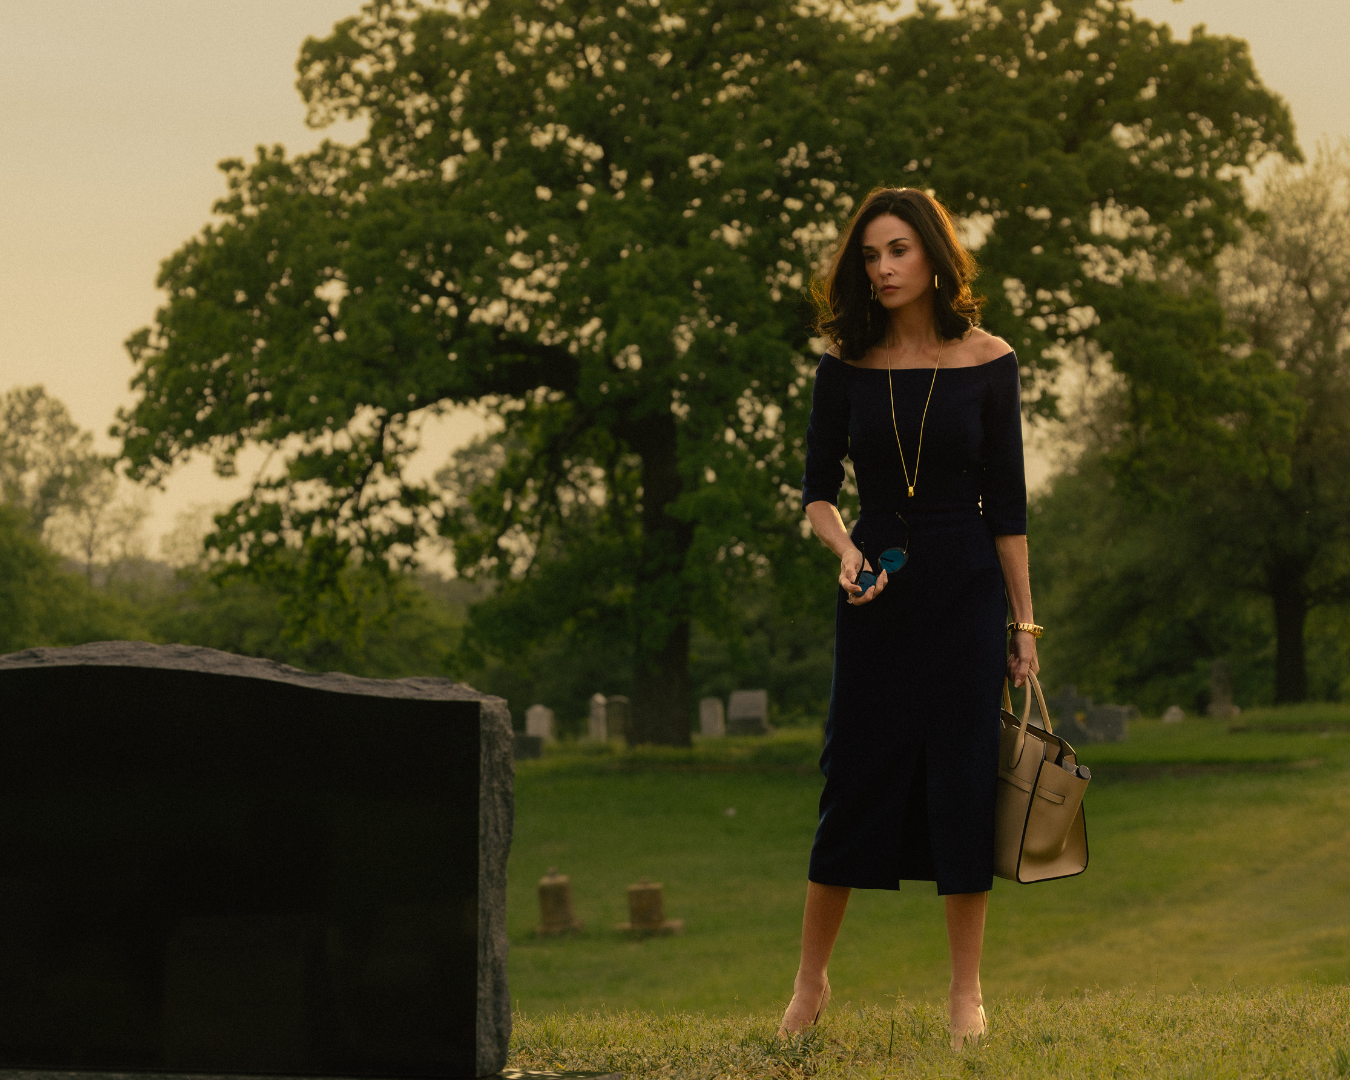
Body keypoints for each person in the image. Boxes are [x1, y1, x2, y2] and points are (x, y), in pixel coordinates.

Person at [778, 187, 1040, 1050]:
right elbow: (818, 492)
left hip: (967, 586)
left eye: (896, 251)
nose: (882, 269)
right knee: (852, 777)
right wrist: (845, 550)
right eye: (868, 256)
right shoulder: (843, 366)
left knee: (966, 782)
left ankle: (966, 995)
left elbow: (1007, 505)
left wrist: (1024, 627)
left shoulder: (993, 360)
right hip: (877, 585)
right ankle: (810, 983)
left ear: (932, 254)